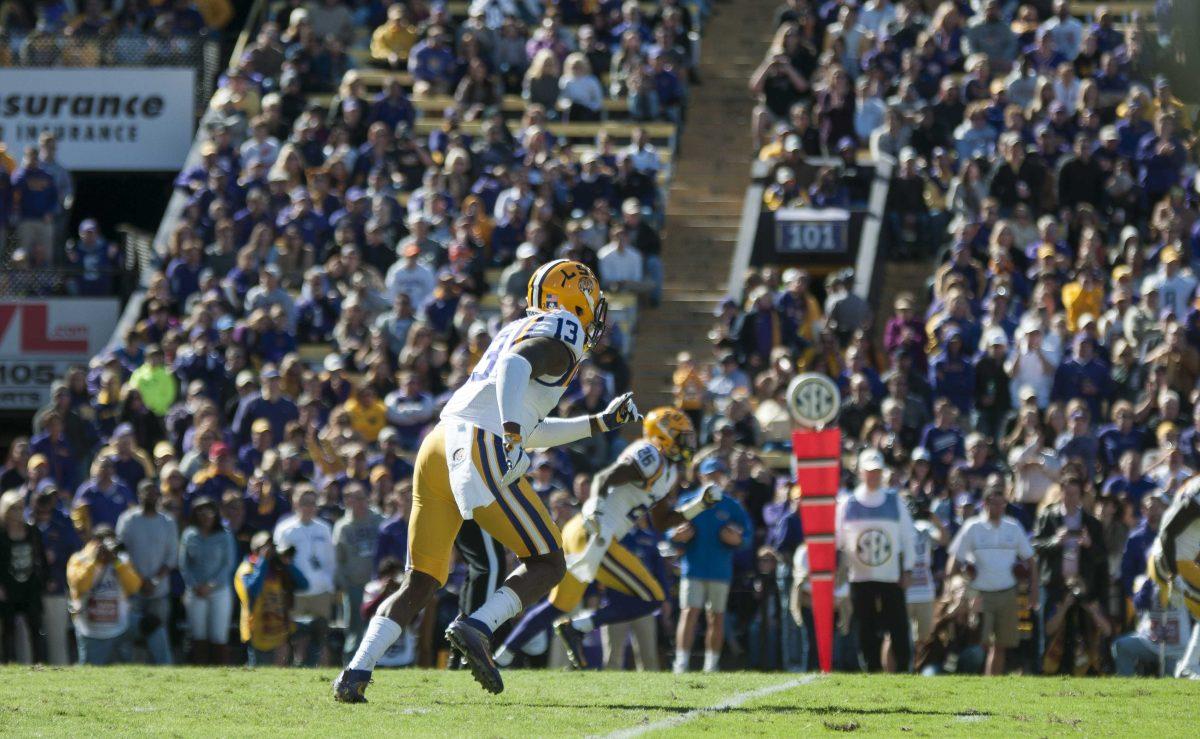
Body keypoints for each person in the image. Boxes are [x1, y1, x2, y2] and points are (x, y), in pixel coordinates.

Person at [335, 260, 641, 700]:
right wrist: (512, 428)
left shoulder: (520, 326)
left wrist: (599, 422)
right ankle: (476, 626)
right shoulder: (564, 328)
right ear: (576, 296)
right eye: (591, 296)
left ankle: (355, 672)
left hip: (438, 443)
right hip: (480, 442)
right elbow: (516, 368)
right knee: (549, 561)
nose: (596, 309)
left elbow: (531, 423)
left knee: (420, 580)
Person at [495, 407, 702, 669]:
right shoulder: (650, 455)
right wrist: (595, 506)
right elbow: (606, 477)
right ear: (664, 436)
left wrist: (699, 505)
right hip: (596, 534)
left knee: (559, 604)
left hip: (581, 530)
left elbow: (662, 522)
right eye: (681, 437)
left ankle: (501, 656)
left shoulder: (668, 472)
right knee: (652, 596)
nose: (688, 444)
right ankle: (578, 627)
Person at [835, 448, 916, 673]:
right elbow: (838, 540)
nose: (873, 476)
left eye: (877, 471)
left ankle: (903, 671)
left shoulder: (895, 501)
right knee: (865, 628)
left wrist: (908, 569)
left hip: (891, 577)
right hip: (859, 578)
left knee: (898, 627)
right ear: (861, 472)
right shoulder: (847, 503)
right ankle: (871, 670)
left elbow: (908, 537)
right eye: (869, 471)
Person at [671, 456, 752, 674]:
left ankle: (711, 663)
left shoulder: (732, 505)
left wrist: (738, 540)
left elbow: (747, 537)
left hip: (720, 570)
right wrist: (677, 536)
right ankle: (681, 662)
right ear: (700, 476)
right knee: (689, 613)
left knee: (716, 616)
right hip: (693, 568)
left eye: (718, 475)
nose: (714, 479)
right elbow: (670, 533)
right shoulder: (688, 500)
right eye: (710, 475)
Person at [946, 484, 1036, 675]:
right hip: (980, 593)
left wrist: (1034, 591)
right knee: (980, 641)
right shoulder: (973, 527)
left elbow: (1030, 559)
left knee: (1002, 644)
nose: (999, 507)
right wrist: (952, 588)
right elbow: (955, 559)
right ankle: (978, 680)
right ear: (985, 504)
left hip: (1007, 592)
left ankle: (991, 683)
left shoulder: (1013, 527)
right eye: (995, 503)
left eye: (1002, 503)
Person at [115, 480, 178, 666]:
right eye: (145, 492)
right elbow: (121, 554)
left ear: (159, 495)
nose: (150, 496)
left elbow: (171, 557)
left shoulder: (168, 522)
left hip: (158, 591)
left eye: (153, 492)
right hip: (133, 591)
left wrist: (154, 581)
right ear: (138, 494)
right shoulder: (127, 519)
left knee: (159, 635)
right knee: (131, 636)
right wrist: (139, 581)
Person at [66, 525, 145, 665]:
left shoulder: (121, 560)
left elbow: (134, 587)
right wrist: (95, 562)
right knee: (89, 675)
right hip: (90, 630)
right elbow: (79, 585)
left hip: (119, 626)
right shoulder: (80, 559)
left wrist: (117, 563)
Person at [275, 486, 336, 667]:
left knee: (322, 638)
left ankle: (323, 675)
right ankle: (296, 674)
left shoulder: (324, 529)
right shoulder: (285, 529)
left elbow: (331, 562)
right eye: (304, 502)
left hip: (321, 591)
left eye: (312, 503)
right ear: (295, 503)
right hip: (297, 593)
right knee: (296, 638)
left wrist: (330, 586)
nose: (308, 507)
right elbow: (280, 563)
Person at [234, 531, 308, 667]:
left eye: (271, 547)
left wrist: (287, 564)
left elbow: (304, 584)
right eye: (265, 547)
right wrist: (263, 561)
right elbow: (252, 591)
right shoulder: (246, 568)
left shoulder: (277, 567)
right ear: (256, 549)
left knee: (278, 676)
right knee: (257, 672)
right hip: (256, 628)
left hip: (279, 627)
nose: (270, 551)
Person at [179, 496, 237, 664]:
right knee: (198, 635)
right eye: (200, 511)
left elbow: (228, 564)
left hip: (219, 591)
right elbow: (184, 565)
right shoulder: (189, 535)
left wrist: (211, 585)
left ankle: (220, 672)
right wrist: (196, 585)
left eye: (209, 511)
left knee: (219, 635)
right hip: (195, 591)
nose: (205, 515)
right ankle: (200, 672)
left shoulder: (225, 535)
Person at [333, 483, 384, 664]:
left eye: (363, 497)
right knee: (354, 629)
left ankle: (377, 664)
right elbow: (338, 560)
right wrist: (344, 585)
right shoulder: (343, 527)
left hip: (377, 586)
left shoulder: (378, 520)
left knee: (378, 628)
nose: (361, 502)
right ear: (347, 501)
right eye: (356, 498)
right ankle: (350, 666)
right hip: (354, 585)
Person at [29, 488, 80, 664]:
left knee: (57, 640)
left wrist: (56, 556)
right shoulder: (25, 524)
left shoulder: (62, 523)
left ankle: (60, 680)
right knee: (28, 641)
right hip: (29, 590)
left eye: (47, 501)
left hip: (56, 586)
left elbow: (75, 552)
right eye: (40, 502)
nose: (43, 507)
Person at [0, 490, 47, 663]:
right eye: (13, 508)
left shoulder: (32, 531)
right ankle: (8, 664)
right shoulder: (1, 534)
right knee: (8, 629)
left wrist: (44, 580)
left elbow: (41, 557)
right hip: (8, 587)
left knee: (36, 628)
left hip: (30, 586)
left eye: (20, 508)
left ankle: (38, 665)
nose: (18, 512)